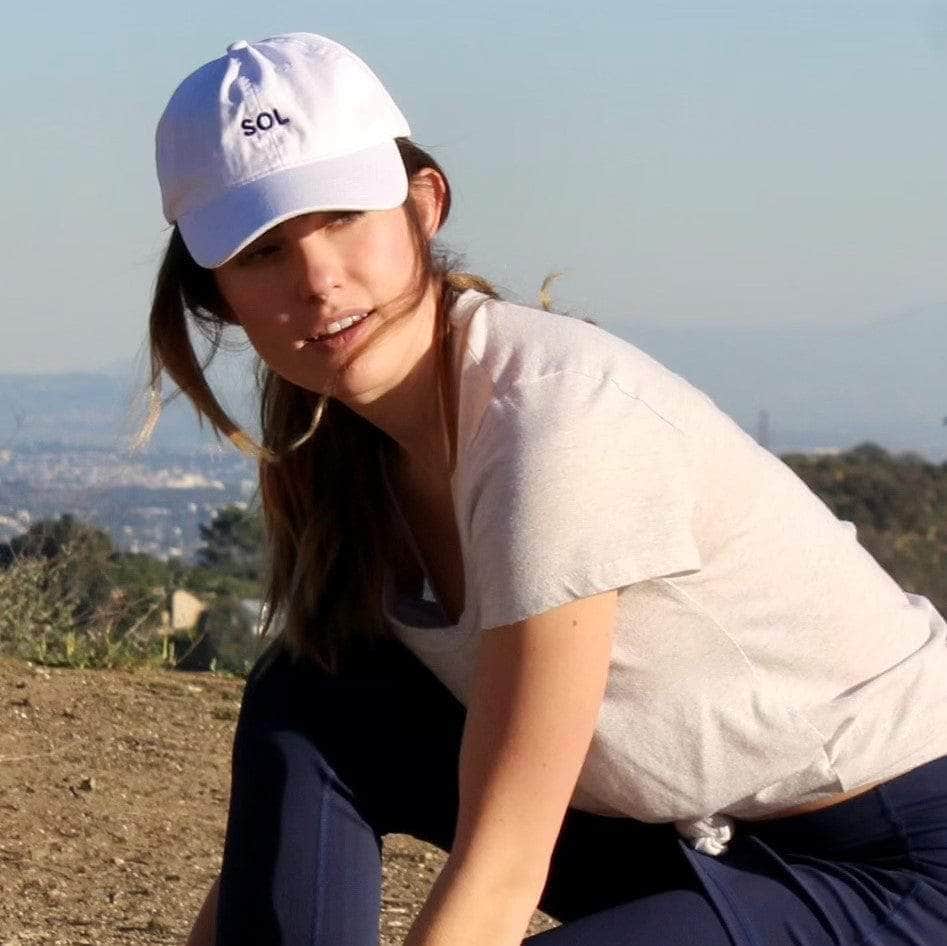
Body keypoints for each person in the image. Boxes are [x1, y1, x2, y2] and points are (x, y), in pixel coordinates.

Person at [147, 31, 947, 946]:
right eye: (261, 253)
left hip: (900, 866)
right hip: (689, 841)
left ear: (422, 206)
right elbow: (282, 834)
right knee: (316, 685)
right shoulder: (344, 451)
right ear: (215, 293)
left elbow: (503, 863)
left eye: (341, 218)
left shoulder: (550, 420)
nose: (319, 282)